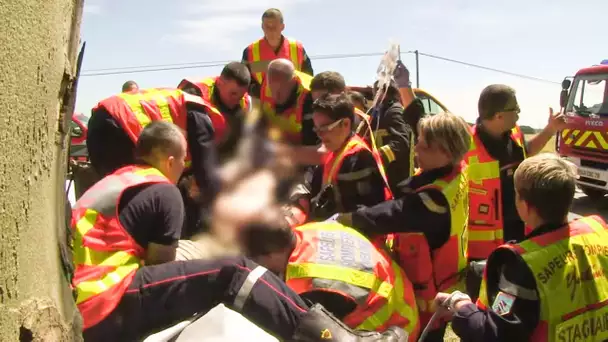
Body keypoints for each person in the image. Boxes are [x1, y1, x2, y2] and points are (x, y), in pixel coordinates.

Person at [74, 121, 407, 342]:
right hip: (106, 300)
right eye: (184, 161)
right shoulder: (162, 191)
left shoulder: (116, 180)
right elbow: (159, 269)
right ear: (172, 159)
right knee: (234, 272)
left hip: (86, 295)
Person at [433, 153, 608, 342]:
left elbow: (495, 333)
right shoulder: (598, 231)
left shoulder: (522, 265)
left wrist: (461, 306)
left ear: (524, 204)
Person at [336, 113, 472, 342]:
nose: (416, 147)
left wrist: (344, 219)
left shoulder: (433, 201)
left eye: (424, 144)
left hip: (427, 302)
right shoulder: (455, 172)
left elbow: (390, 215)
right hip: (446, 282)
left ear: (446, 153)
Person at [238, 219, 421, 341]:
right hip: (400, 293)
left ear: (271, 254)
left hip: (396, 328)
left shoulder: (312, 287)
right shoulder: (310, 230)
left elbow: (314, 332)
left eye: (256, 259)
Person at [86, 87, 221, 238]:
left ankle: (106, 237)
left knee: (116, 195)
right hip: (117, 127)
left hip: (102, 120)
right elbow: (205, 169)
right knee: (135, 196)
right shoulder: (200, 114)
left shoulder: (181, 103)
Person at [465, 84, 567, 260]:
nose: (519, 112)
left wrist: (550, 129)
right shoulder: (466, 146)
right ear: (499, 116)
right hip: (484, 248)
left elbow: (527, 150)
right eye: (515, 108)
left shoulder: (514, 132)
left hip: (520, 229)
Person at [284, 93, 391, 227]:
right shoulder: (332, 149)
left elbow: (365, 214)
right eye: (316, 129)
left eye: (325, 128)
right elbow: (310, 185)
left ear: (345, 124)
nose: (320, 135)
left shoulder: (359, 160)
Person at [358, 61, 417, 192]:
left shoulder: (395, 111)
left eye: (376, 93)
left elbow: (401, 143)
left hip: (396, 179)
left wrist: (376, 158)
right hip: (382, 177)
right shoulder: (378, 113)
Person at [178, 61, 253, 160]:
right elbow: (195, 141)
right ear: (219, 83)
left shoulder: (245, 102)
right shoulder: (194, 93)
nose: (236, 101)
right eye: (233, 94)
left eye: (240, 96)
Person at [242, 8, 313, 97]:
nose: (271, 30)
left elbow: (308, 77)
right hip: (261, 103)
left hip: (294, 103)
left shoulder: (297, 48)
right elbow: (243, 81)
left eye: (274, 27)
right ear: (262, 27)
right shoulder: (250, 51)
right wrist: (259, 92)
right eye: (267, 26)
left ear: (282, 27)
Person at [258, 58, 317, 146]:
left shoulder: (312, 96)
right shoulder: (265, 87)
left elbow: (314, 144)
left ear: (293, 82)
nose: (275, 96)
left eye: (280, 91)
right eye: (272, 90)